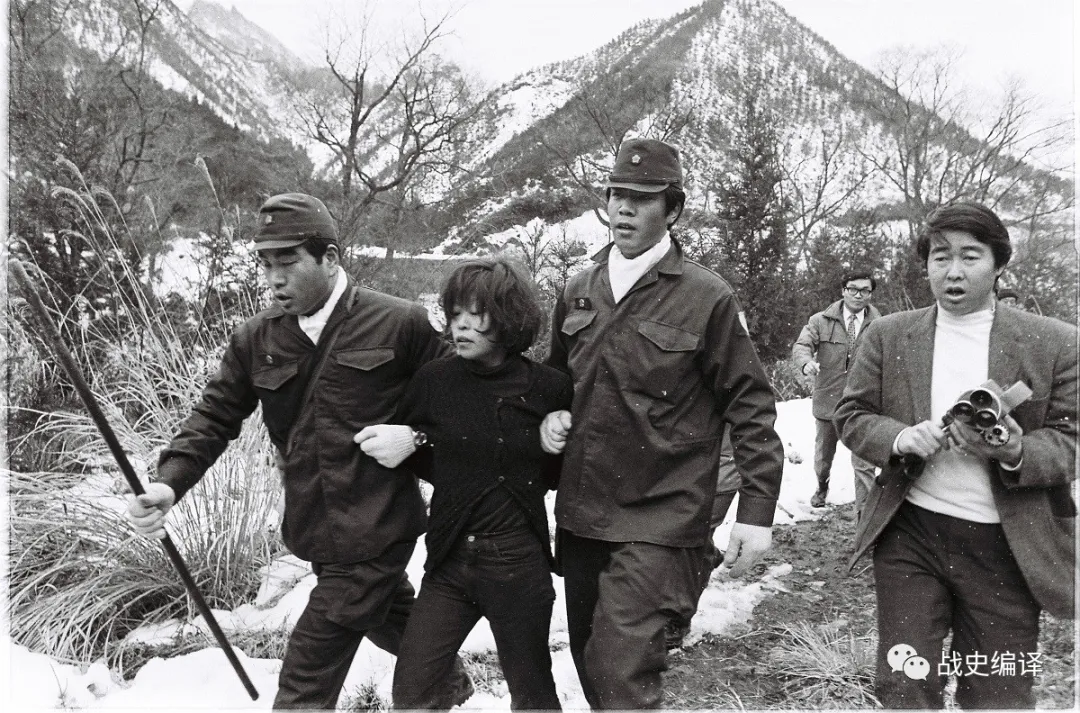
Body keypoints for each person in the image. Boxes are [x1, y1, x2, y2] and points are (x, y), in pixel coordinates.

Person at [125, 193, 471, 710]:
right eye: (266, 264)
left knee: (306, 675)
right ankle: (449, 685)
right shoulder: (256, 339)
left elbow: (465, 399)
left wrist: (416, 437)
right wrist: (168, 483)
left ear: (330, 258)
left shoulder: (400, 323)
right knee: (384, 613)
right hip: (316, 527)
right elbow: (214, 417)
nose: (274, 279)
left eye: (287, 263)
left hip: (380, 526)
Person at [539, 137, 786, 709]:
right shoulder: (579, 289)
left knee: (618, 669)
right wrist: (550, 416)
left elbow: (750, 404)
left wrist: (756, 510)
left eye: (642, 198)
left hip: (663, 517)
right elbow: (553, 382)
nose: (623, 209)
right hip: (584, 514)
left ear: (672, 210)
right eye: (615, 195)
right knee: (592, 665)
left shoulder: (706, 297)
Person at [835, 201, 1077, 709]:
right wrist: (901, 437)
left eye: (970, 256)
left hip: (1006, 546)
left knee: (997, 693)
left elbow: (1070, 440)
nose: (953, 271)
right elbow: (852, 415)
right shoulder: (889, 335)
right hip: (912, 533)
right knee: (905, 683)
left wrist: (1015, 450)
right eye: (940, 257)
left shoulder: (1054, 344)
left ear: (999, 263)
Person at [357, 256, 573, 710]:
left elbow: (553, 478)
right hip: (450, 562)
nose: (462, 326)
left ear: (510, 318)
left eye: (478, 315)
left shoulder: (549, 387)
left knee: (533, 694)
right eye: (455, 314)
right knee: (413, 690)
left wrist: (554, 441)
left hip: (517, 564)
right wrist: (422, 440)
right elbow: (417, 449)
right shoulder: (435, 380)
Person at [792, 269, 882, 512]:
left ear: (871, 294)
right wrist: (806, 363)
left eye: (865, 290)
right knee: (823, 458)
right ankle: (822, 486)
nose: (858, 295)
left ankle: (865, 515)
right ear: (843, 291)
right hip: (828, 400)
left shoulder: (881, 324)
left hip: (863, 404)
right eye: (853, 289)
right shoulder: (819, 321)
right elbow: (802, 345)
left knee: (864, 464)